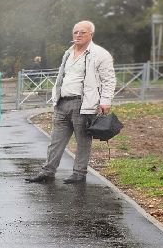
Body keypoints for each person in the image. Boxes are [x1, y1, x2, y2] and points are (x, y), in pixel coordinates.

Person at [27, 21, 115, 184]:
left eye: (82, 32)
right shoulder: (68, 52)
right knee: (56, 140)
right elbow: (63, 76)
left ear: (91, 35)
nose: (78, 35)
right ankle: (48, 171)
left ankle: (79, 174)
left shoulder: (100, 54)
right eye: (75, 32)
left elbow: (109, 80)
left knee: (82, 140)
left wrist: (105, 100)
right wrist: (56, 97)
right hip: (62, 102)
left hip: (83, 104)